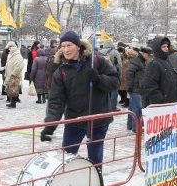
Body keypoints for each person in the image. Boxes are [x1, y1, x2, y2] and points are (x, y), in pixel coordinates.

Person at [39, 31, 120, 170]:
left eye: (69, 45)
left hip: (98, 120)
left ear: (77, 46)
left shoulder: (97, 61)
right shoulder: (61, 71)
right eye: (63, 46)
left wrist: (98, 79)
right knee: (67, 158)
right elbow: (55, 101)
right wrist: (50, 126)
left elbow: (115, 81)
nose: (66, 49)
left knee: (95, 159)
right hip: (74, 121)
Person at [142, 36, 177, 107]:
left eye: (167, 46)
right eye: (164, 47)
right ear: (158, 48)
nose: (166, 48)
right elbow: (149, 86)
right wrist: (160, 100)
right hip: (161, 106)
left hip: (170, 103)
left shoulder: (167, 61)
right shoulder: (154, 64)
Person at [125, 47, 149, 132]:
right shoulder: (136, 61)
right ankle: (136, 127)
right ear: (143, 53)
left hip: (138, 87)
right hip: (136, 88)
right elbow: (129, 74)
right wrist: (129, 87)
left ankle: (130, 125)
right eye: (148, 55)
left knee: (132, 108)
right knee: (137, 108)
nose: (148, 57)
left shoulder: (142, 61)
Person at [4, 41, 24, 108]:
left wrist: (13, 74)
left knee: (13, 89)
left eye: (9, 48)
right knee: (11, 89)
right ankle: (12, 102)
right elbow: (9, 64)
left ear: (12, 47)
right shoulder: (10, 55)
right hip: (10, 75)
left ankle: (13, 103)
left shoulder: (18, 55)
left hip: (14, 76)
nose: (8, 49)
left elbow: (20, 66)